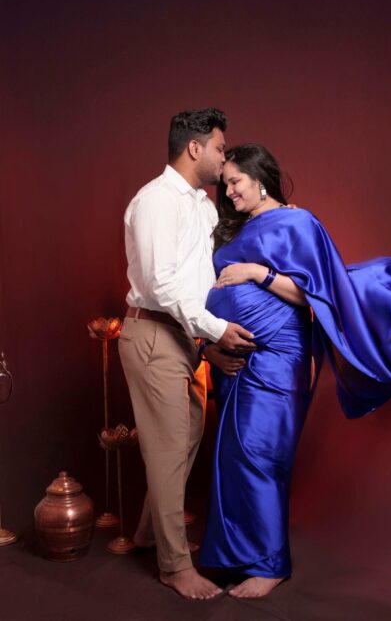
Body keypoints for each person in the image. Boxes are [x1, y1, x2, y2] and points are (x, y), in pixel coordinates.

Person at [199, 143, 391, 598]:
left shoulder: (298, 223)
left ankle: (270, 565)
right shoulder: (237, 229)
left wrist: (256, 274)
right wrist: (210, 344)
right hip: (232, 357)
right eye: (225, 184)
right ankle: (234, 556)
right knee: (232, 454)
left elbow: (318, 295)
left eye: (235, 181)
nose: (228, 191)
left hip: (278, 355)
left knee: (260, 453)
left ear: (260, 178)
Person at [118, 109, 256, 600]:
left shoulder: (202, 205)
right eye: (219, 147)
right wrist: (216, 330)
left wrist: (204, 342)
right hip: (153, 333)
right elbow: (161, 284)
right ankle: (174, 567)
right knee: (168, 443)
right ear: (194, 148)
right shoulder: (156, 200)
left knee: (189, 431)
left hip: (182, 336)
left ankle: (149, 533)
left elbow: (200, 281)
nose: (224, 157)